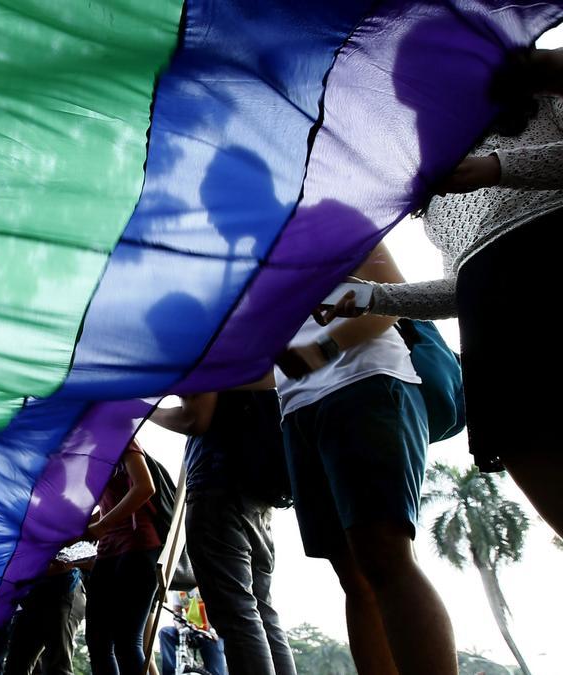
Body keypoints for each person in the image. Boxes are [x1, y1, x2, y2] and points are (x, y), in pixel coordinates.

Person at [326, 48, 563, 537]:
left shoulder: (543, 99)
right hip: (496, 332)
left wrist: (497, 167)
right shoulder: (432, 186)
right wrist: (373, 298)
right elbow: (463, 287)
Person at [276, 244, 457, 675]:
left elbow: (395, 298)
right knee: (352, 577)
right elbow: (262, 360)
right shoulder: (235, 263)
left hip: (368, 383)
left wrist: (315, 354)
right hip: (297, 409)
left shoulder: (335, 217)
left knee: (385, 557)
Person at [150, 391, 297, 675]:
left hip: (215, 486)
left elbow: (195, 418)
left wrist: (147, 412)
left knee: (236, 614)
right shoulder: (249, 351)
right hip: (258, 494)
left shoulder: (207, 348)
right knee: (262, 610)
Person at [84, 441, 161, 675]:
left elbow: (144, 487)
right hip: (107, 552)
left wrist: (100, 527)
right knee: (97, 644)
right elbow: (109, 505)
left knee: (126, 643)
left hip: (137, 547)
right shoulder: (87, 450)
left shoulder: (122, 437)